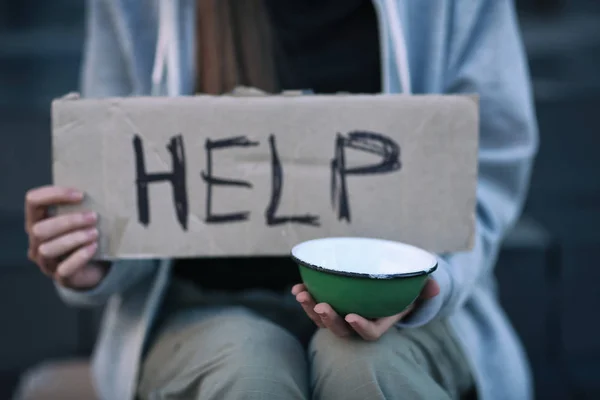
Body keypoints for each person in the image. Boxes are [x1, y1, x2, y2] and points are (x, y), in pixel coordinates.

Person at [24, 0, 538, 399]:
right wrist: (99, 255)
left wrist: (427, 282)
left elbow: (489, 158)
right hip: (198, 307)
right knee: (249, 378)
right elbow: (120, 181)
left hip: (404, 307)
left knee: (366, 372)